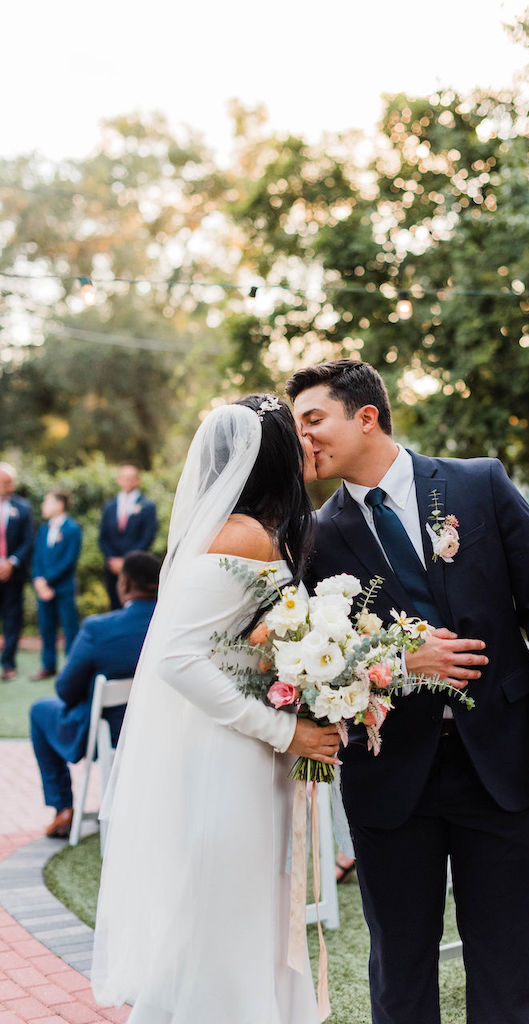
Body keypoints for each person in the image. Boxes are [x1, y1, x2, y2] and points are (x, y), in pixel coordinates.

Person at [286, 359, 529, 1024]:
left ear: (365, 416)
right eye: (295, 426)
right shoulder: (313, 534)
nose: (302, 437)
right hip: (387, 772)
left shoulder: (477, 484)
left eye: (314, 420)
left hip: (503, 762)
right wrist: (395, 659)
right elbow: (305, 660)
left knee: (507, 966)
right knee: (398, 970)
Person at [91, 397, 339, 1024]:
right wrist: (283, 729)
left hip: (247, 750)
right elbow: (177, 657)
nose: (307, 446)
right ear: (272, 457)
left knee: (242, 906)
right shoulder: (244, 536)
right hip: (232, 753)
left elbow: (243, 644)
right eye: (297, 438)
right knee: (227, 909)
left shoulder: (251, 530)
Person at [30, 551, 161, 838]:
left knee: (40, 711)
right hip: (161, 729)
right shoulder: (171, 623)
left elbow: (65, 690)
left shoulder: (99, 628)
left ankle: (63, 807)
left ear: (124, 584)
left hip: (110, 733)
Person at [31, 489, 82, 680]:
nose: (44, 506)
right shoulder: (44, 528)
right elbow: (37, 557)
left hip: (63, 588)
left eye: (47, 502)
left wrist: (48, 580)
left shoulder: (72, 528)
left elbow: (69, 561)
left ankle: (72, 668)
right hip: (43, 588)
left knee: (70, 628)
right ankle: (48, 665)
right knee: (46, 627)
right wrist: (38, 580)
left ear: (59, 505)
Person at [98, 463, 158, 609]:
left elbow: (147, 536)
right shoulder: (109, 506)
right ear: (119, 480)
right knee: (114, 603)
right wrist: (112, 559)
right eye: (124, 478)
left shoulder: (147, 506)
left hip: (136, 566)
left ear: (138, 481)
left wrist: (127, 561)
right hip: (113, 566)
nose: (128, 481)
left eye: (131, 478)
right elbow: (103, 536)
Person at [0, 462, 34, 681]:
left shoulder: (23, 508)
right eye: (4, 482)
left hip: (13, 574)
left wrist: (11, 563)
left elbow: (28, 540)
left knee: (12, 619)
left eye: (10, 482)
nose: (9, 486)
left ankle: (8, 664)